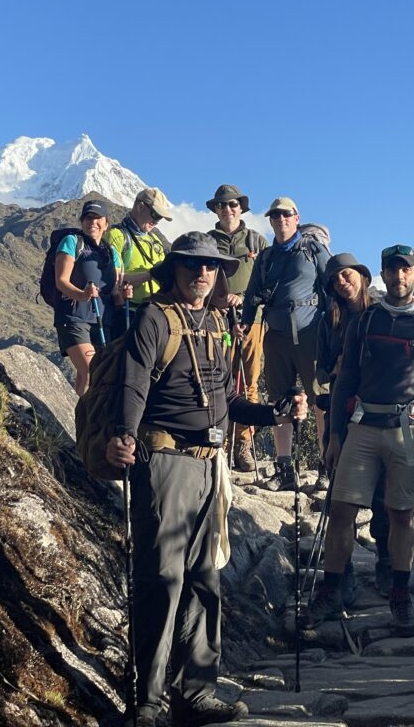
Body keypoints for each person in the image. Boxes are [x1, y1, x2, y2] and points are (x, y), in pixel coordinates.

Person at [105, 232, 308, 727]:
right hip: (165, 460)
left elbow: (225, 402)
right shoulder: (155, 318)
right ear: (175, 268)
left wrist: (275, 412)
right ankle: (149, 702)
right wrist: (123, 435)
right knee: (162, 579)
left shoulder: (215, 322)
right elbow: (133, 382)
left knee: (203, 578)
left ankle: (196, 693)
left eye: (212, 267)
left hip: (207, 465)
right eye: (193, 265)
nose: (203, 273)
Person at [302, 244, 414, 637]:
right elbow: (346, 380)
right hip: (363, 426)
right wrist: (334, 435)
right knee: (341, 510)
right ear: (383, 276)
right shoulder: (365, 322)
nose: (399, 276)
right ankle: (333, 590)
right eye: (393, 270)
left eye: (406, 270)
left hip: (409, 430)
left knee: (401, 515)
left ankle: (400, 597)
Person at [315, 253, 392, 598]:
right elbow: (319, 369)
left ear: (362, 277)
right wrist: (336, 371)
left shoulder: (382, 315)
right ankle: (341, 573)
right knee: (341, 498)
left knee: (383, 495)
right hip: (342, 412)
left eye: (347, 275)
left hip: (378, 413)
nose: (342, 282)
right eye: (336, 280)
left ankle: (387, 563)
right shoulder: (327, 321)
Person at [241, 197, 329, 491]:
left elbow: (331, 286)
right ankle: (284, 468)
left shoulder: (313, 249)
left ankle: (325, 469)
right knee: (279, 400)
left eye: (286, 215)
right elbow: (253, 292)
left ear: (296, 217)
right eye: (275, 215)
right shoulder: (266, 258)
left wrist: (336, 329)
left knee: (321, 402)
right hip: (276, 335)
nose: (280, 219)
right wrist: (246, 321)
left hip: (311, 334)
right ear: (270, 221)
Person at [206, 184, 269, 474]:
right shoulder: (207, 241)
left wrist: (245, 299)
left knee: (249, 383)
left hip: (252, 319)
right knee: (218, 379)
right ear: (215, 209)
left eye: (232, 205)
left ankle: (243, 443)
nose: (227, 210)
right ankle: (218, 440)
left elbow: (269, 282)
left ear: (241, 207)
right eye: (222, 205)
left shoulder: (256, 240)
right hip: (216, 319)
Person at [53, 200, 122, 395]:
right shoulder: (72, 242)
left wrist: (122, 296)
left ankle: (88, 419)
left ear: (106, 223)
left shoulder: (111, 252)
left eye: (97, 218)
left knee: (99, 375)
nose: (93, 222)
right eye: (88, 217)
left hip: (102, 321)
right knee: (90, 369)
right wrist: (82, 295)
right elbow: (61, 281)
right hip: (74, 318)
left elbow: (114, 293)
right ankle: (85, 421)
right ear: (82, 221)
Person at [104, 186, 172, 339]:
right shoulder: (116, 236)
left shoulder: (155, 241)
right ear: (141, 206)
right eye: (155, 215)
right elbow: (111, 281)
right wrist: (150, 274)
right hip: (127, 313)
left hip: (155, 314)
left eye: (159, 218)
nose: (156, 222)